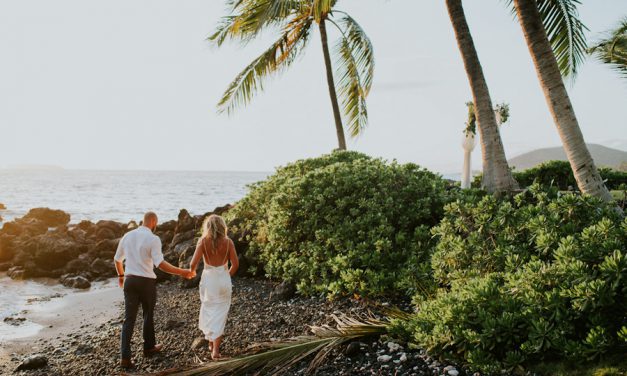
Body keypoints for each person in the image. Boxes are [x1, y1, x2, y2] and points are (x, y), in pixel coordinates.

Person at [113, 211, 194, 369]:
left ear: (142, 221)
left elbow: (117, 259)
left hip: (129, 280)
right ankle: (149, 348)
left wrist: (121, 276)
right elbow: (161, 264)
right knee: (147, 315)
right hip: (146, 282)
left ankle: (125, 358)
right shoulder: (153, 238)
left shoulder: (127, 236)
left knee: (129, 319)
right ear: (154, 222)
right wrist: (183, 272)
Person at [188, 214, 239, 360]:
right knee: (220, 313)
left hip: (209, 279)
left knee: (209, 309)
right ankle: (215, 349)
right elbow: (235, 264)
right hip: (223, 278)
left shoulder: (203, 241)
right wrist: (226, 276)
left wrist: (191, 273)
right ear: (222, 226)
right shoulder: (228, 242)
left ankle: (211, 342)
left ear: (207, 227)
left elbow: (193, 264)